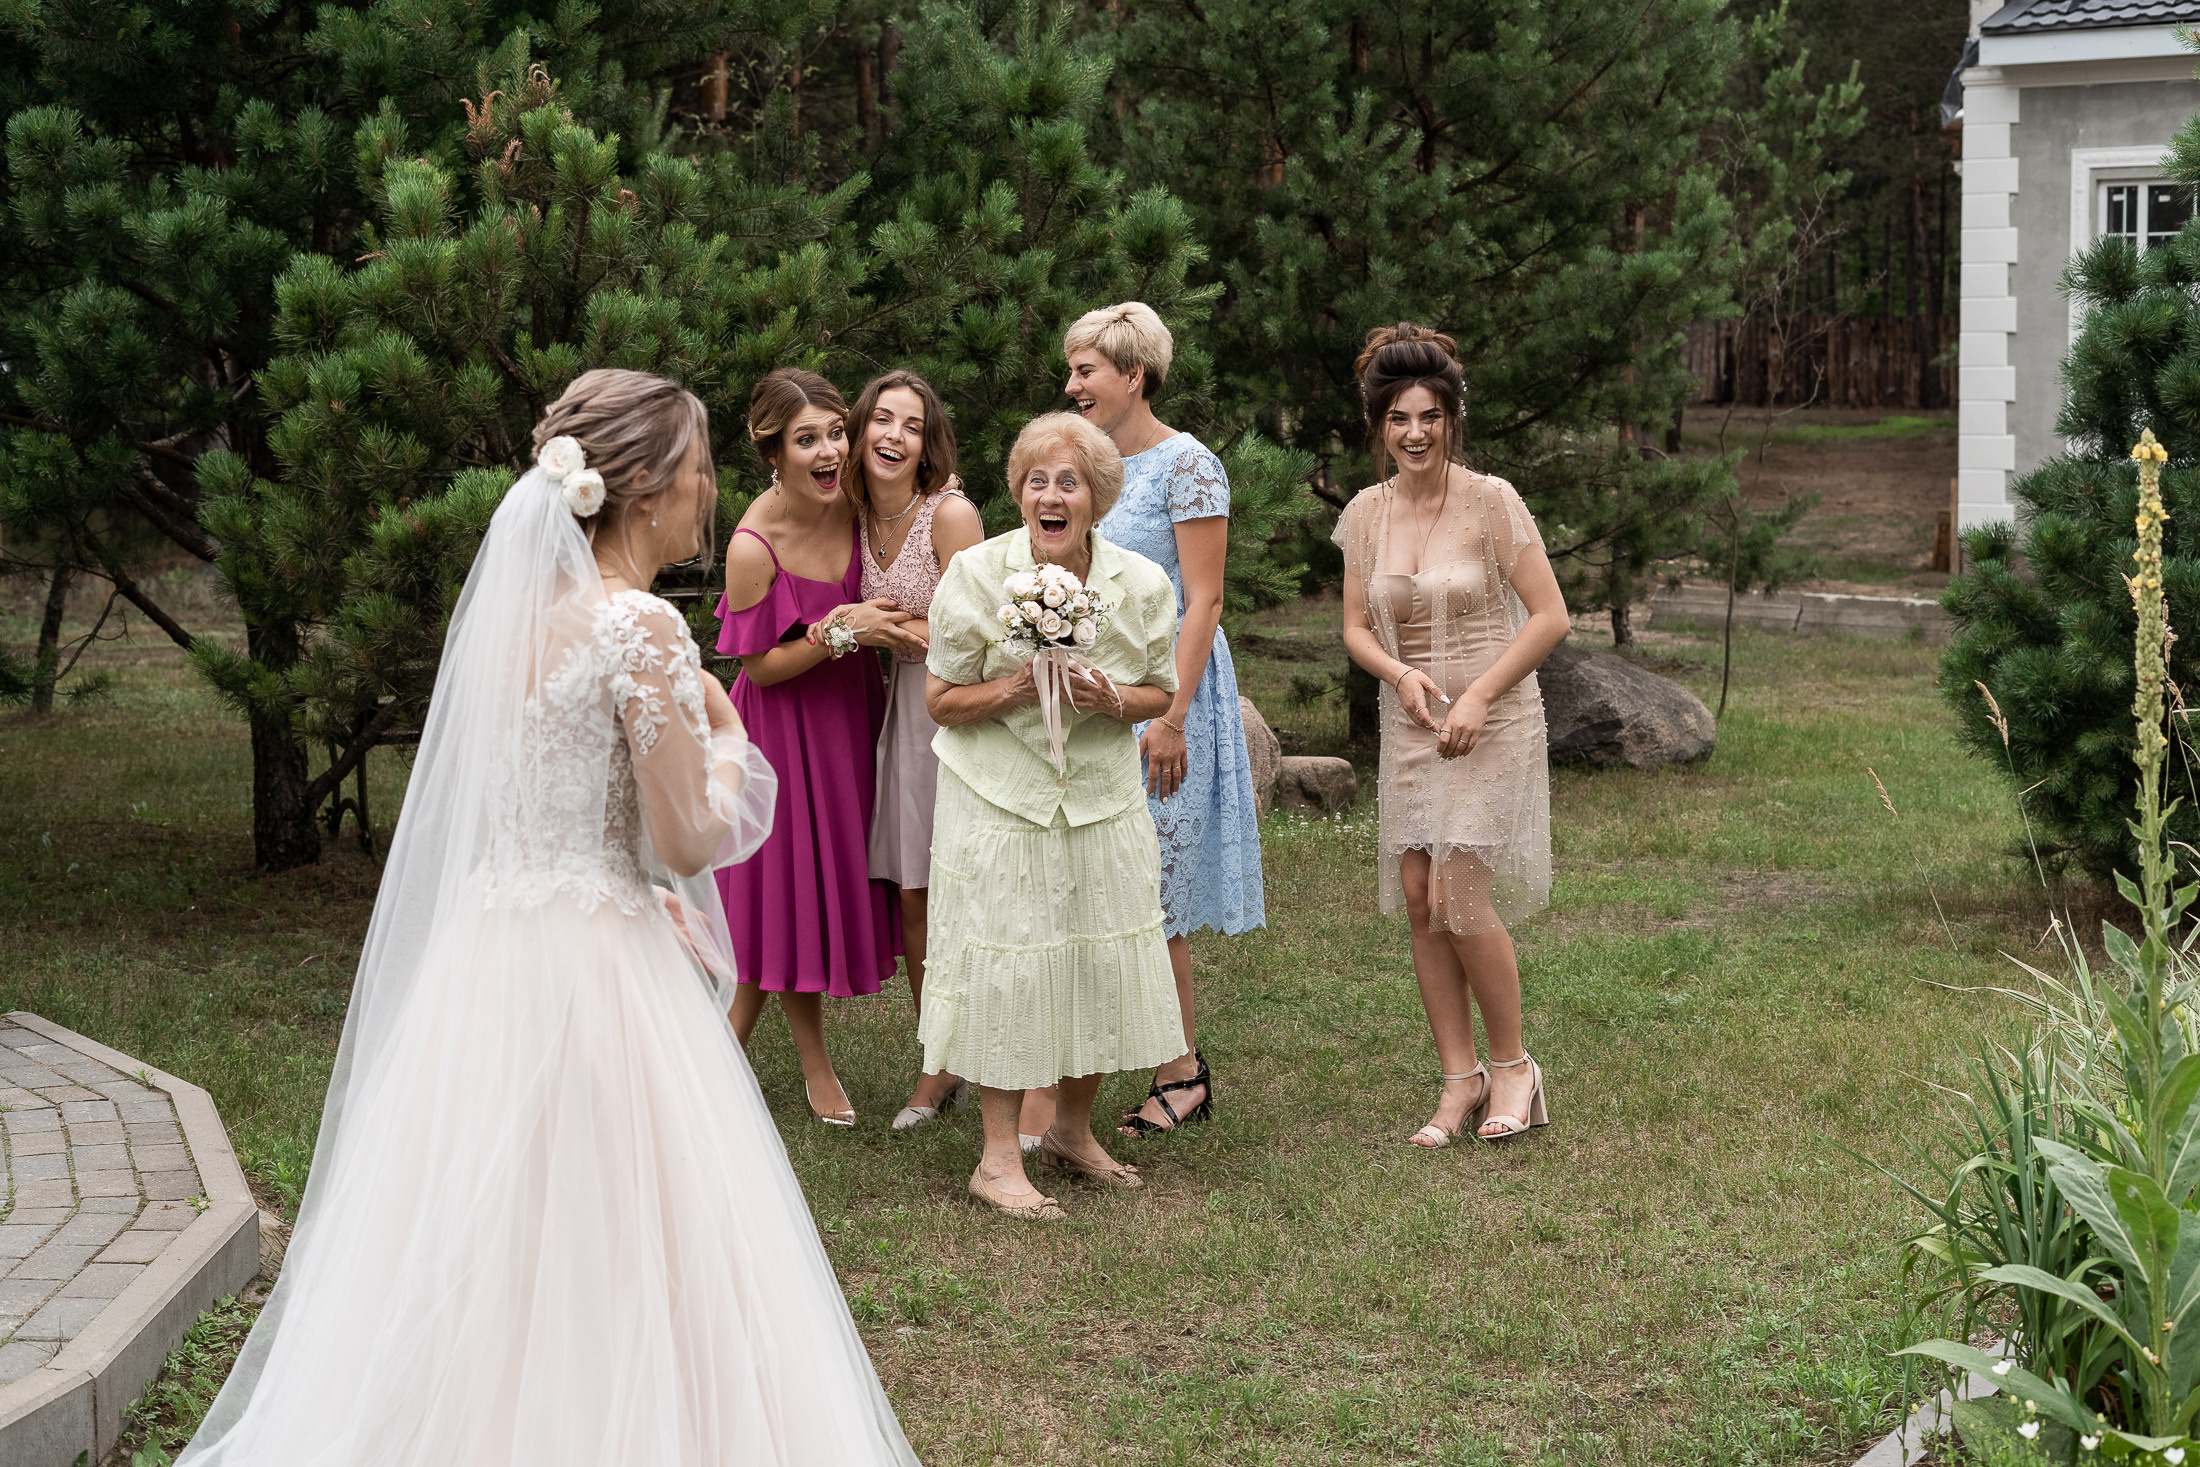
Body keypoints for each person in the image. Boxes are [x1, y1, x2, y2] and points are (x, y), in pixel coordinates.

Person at [174, 370, 922, 1465]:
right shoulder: (642, 629)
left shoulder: (516, 623)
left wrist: (636, 874)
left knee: (480, 1216)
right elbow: (687, 838)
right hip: (594, 965)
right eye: (703, 467)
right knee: (613, 1218)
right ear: (651, 488)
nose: (710, 493)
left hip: (489, 951)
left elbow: (527, 801)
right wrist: (730, 741)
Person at [918, 411, 1184, 1218]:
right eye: (1038, 480)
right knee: (1010, 964)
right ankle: (998, 1159)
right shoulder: (974, 573)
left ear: (1096, 498)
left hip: (1100, 796)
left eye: (1069, 481)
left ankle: (1071, 1128)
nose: (1051, 494)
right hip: (1001, 797)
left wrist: (1113, 696)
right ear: (1020, 493)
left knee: (1096, 959)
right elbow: (940, 698)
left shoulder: (1140, 583)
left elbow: (1160, 692)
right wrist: (1016, 685)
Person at [1335, 325, 1568, 1145]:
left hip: (1493, 714)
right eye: (1399, 419)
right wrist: (1398, 676)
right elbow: (1357, 627)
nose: (1415, 433)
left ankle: (1513, 1066)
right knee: (1417, 896)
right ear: (1379, 425)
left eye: (1428, 416)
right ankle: (1457, 1078)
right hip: (1413, 723)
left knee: (1460, 894)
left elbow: (1550, 615)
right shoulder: (1366, 513)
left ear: (1451, 418)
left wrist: (1480, 697)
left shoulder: (1492, 501)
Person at [1062, 301, 1265, 1141]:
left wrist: (1173, 717)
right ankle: (1098, 1056)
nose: (1071, 385)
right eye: (1071, 370)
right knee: (1104, 877)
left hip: (1168, 695)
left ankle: (1183, 1072)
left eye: (1086, 370)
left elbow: (1205, 596)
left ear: (1133, 375)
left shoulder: (1188, 464)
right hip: (1094, 696)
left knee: (1156, 889)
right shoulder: (1083, 461)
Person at [717, 369, 915, 1125]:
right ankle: (812, 1064)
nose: (831, 451)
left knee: (802, 892)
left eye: (837, 431)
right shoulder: (752, 545)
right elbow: (760, 666)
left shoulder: (854, 501)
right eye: (808, 439)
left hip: (852, 721)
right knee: (787, 892)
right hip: (781, 731)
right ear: (774, 451)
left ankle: (720, 1044)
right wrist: (841, 631)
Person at [840, 370, 990, 1131]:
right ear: (861, 430)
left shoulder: (951, 515)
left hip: (961, 714)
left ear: (929, 443)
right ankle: (940, 1051)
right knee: (911, 889)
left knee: (963, 886)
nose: (895, 436)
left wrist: (892, 632)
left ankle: (971, 1059)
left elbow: (988, 635)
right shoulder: (856, 515)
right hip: (903, 711)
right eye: (883, 421)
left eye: (913, 424)